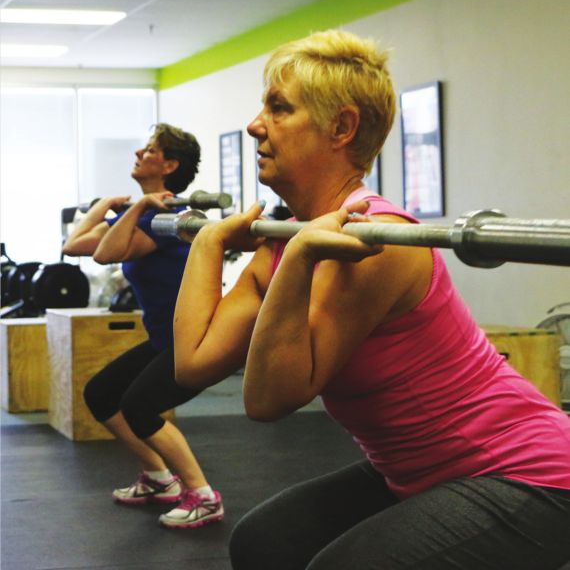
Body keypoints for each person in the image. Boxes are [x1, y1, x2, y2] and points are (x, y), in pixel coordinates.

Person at [172, 30, 570, 568]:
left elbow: (268, 401)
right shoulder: (288, 238)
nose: (255, 125)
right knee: (266, 542)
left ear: (341, 128)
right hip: (422, 471)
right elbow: (193, 363)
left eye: (279, 108)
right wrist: (209, 242)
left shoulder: (378, 241)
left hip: (529, 474)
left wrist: (299, 256)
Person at [63, 123, 223, 530]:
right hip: (165, 339)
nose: (139, 153)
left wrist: (134, 210)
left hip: (196, 340)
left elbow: (104, 254)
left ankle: (203, 497)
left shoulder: (169, 219)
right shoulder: (146, 214)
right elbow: (74, 245)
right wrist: (108, 205)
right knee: (101, 393)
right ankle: (158, 478)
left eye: (150, 149)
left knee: (139, 406)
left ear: (170, 165)